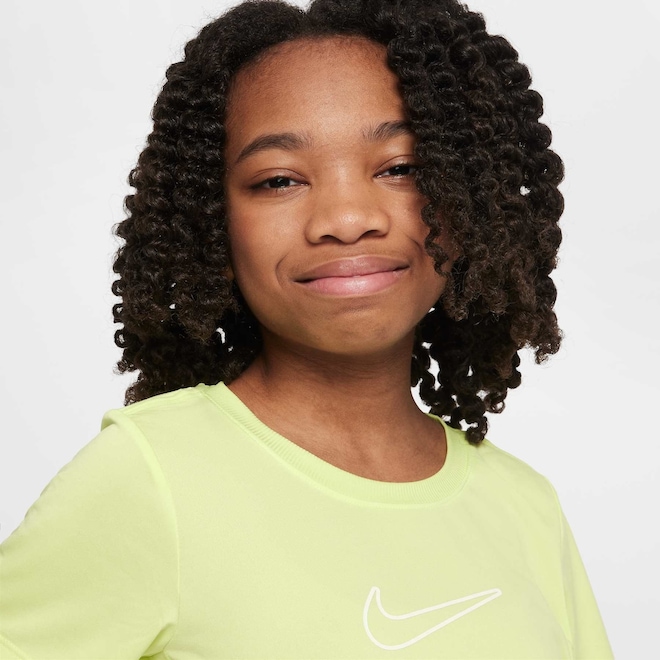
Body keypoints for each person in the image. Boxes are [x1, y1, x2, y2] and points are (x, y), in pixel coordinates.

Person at [0, 0, 613, 657]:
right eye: (279, 181)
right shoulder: (146, 480)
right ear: (213, 224)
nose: (346, 220)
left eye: (400, 168)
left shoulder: (525, 508)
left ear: (473, 200)